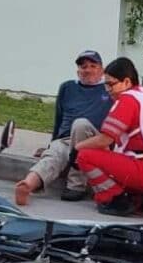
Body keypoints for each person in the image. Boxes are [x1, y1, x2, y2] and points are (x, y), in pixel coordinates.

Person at [74, 57, 143, 219]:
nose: (107, 89)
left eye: (111, 84)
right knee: (111, 157)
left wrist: (77, 147)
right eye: (105, 84)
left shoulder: (127, 99)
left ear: (127, 82)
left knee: (84, 156)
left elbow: (105, 139)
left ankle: (114, 199)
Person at [13, 50, 114, 206]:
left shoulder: (109, 90)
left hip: (94, 141)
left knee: (80, 124)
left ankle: (76, 185)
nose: (87, 70)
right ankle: (27, 185)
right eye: (83, 66)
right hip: (66, 139)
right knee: (52, 156)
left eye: (93, 66)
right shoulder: (67, 87)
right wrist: (50, 145)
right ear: (78, 71)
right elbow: (58, 119)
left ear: (102, 70)